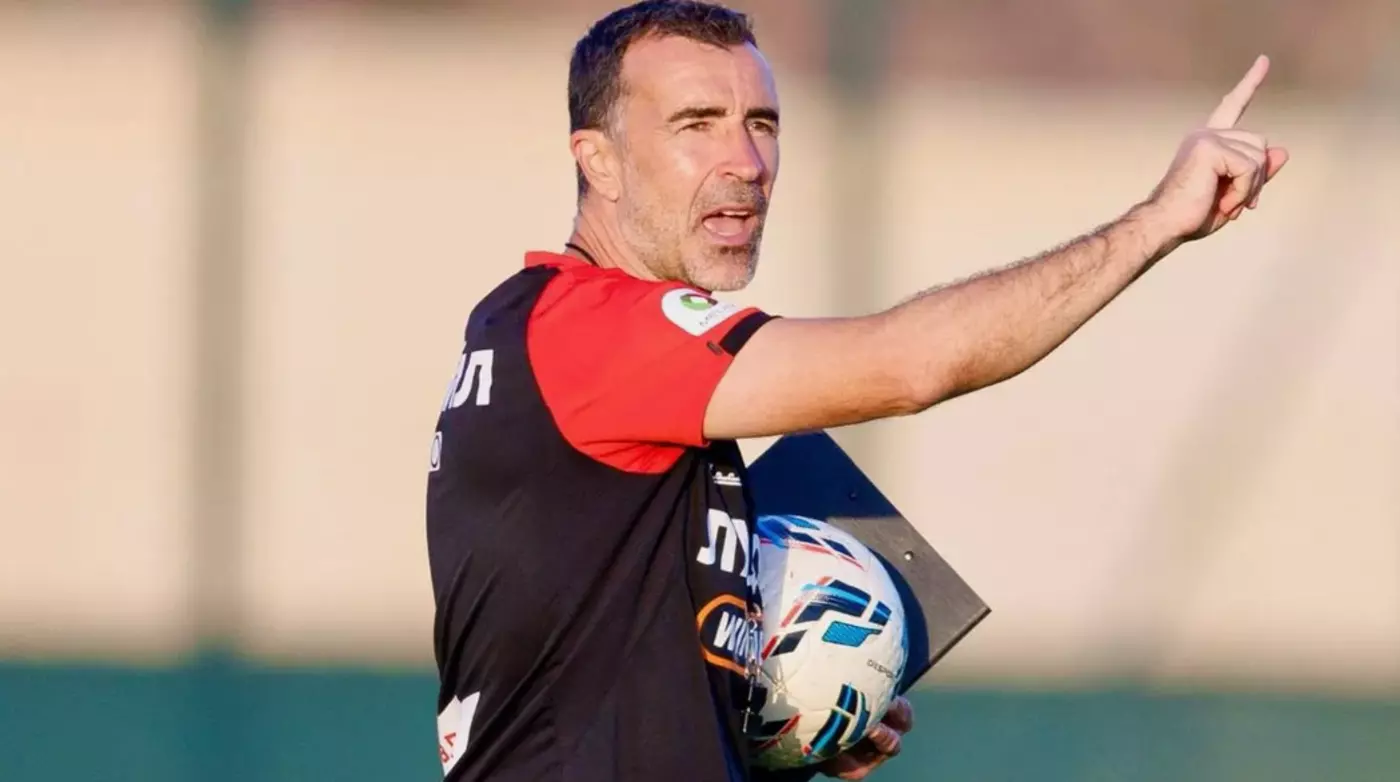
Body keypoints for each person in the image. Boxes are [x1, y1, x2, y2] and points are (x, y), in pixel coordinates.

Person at [424, 1, 1288, 780]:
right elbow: (912, 364)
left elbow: (583, 665)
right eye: (696, 123)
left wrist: (775, 713)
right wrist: (1156, 221)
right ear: (599, 161)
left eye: (761, 123)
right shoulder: (590, 326)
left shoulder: (577, 352)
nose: (744, 160)